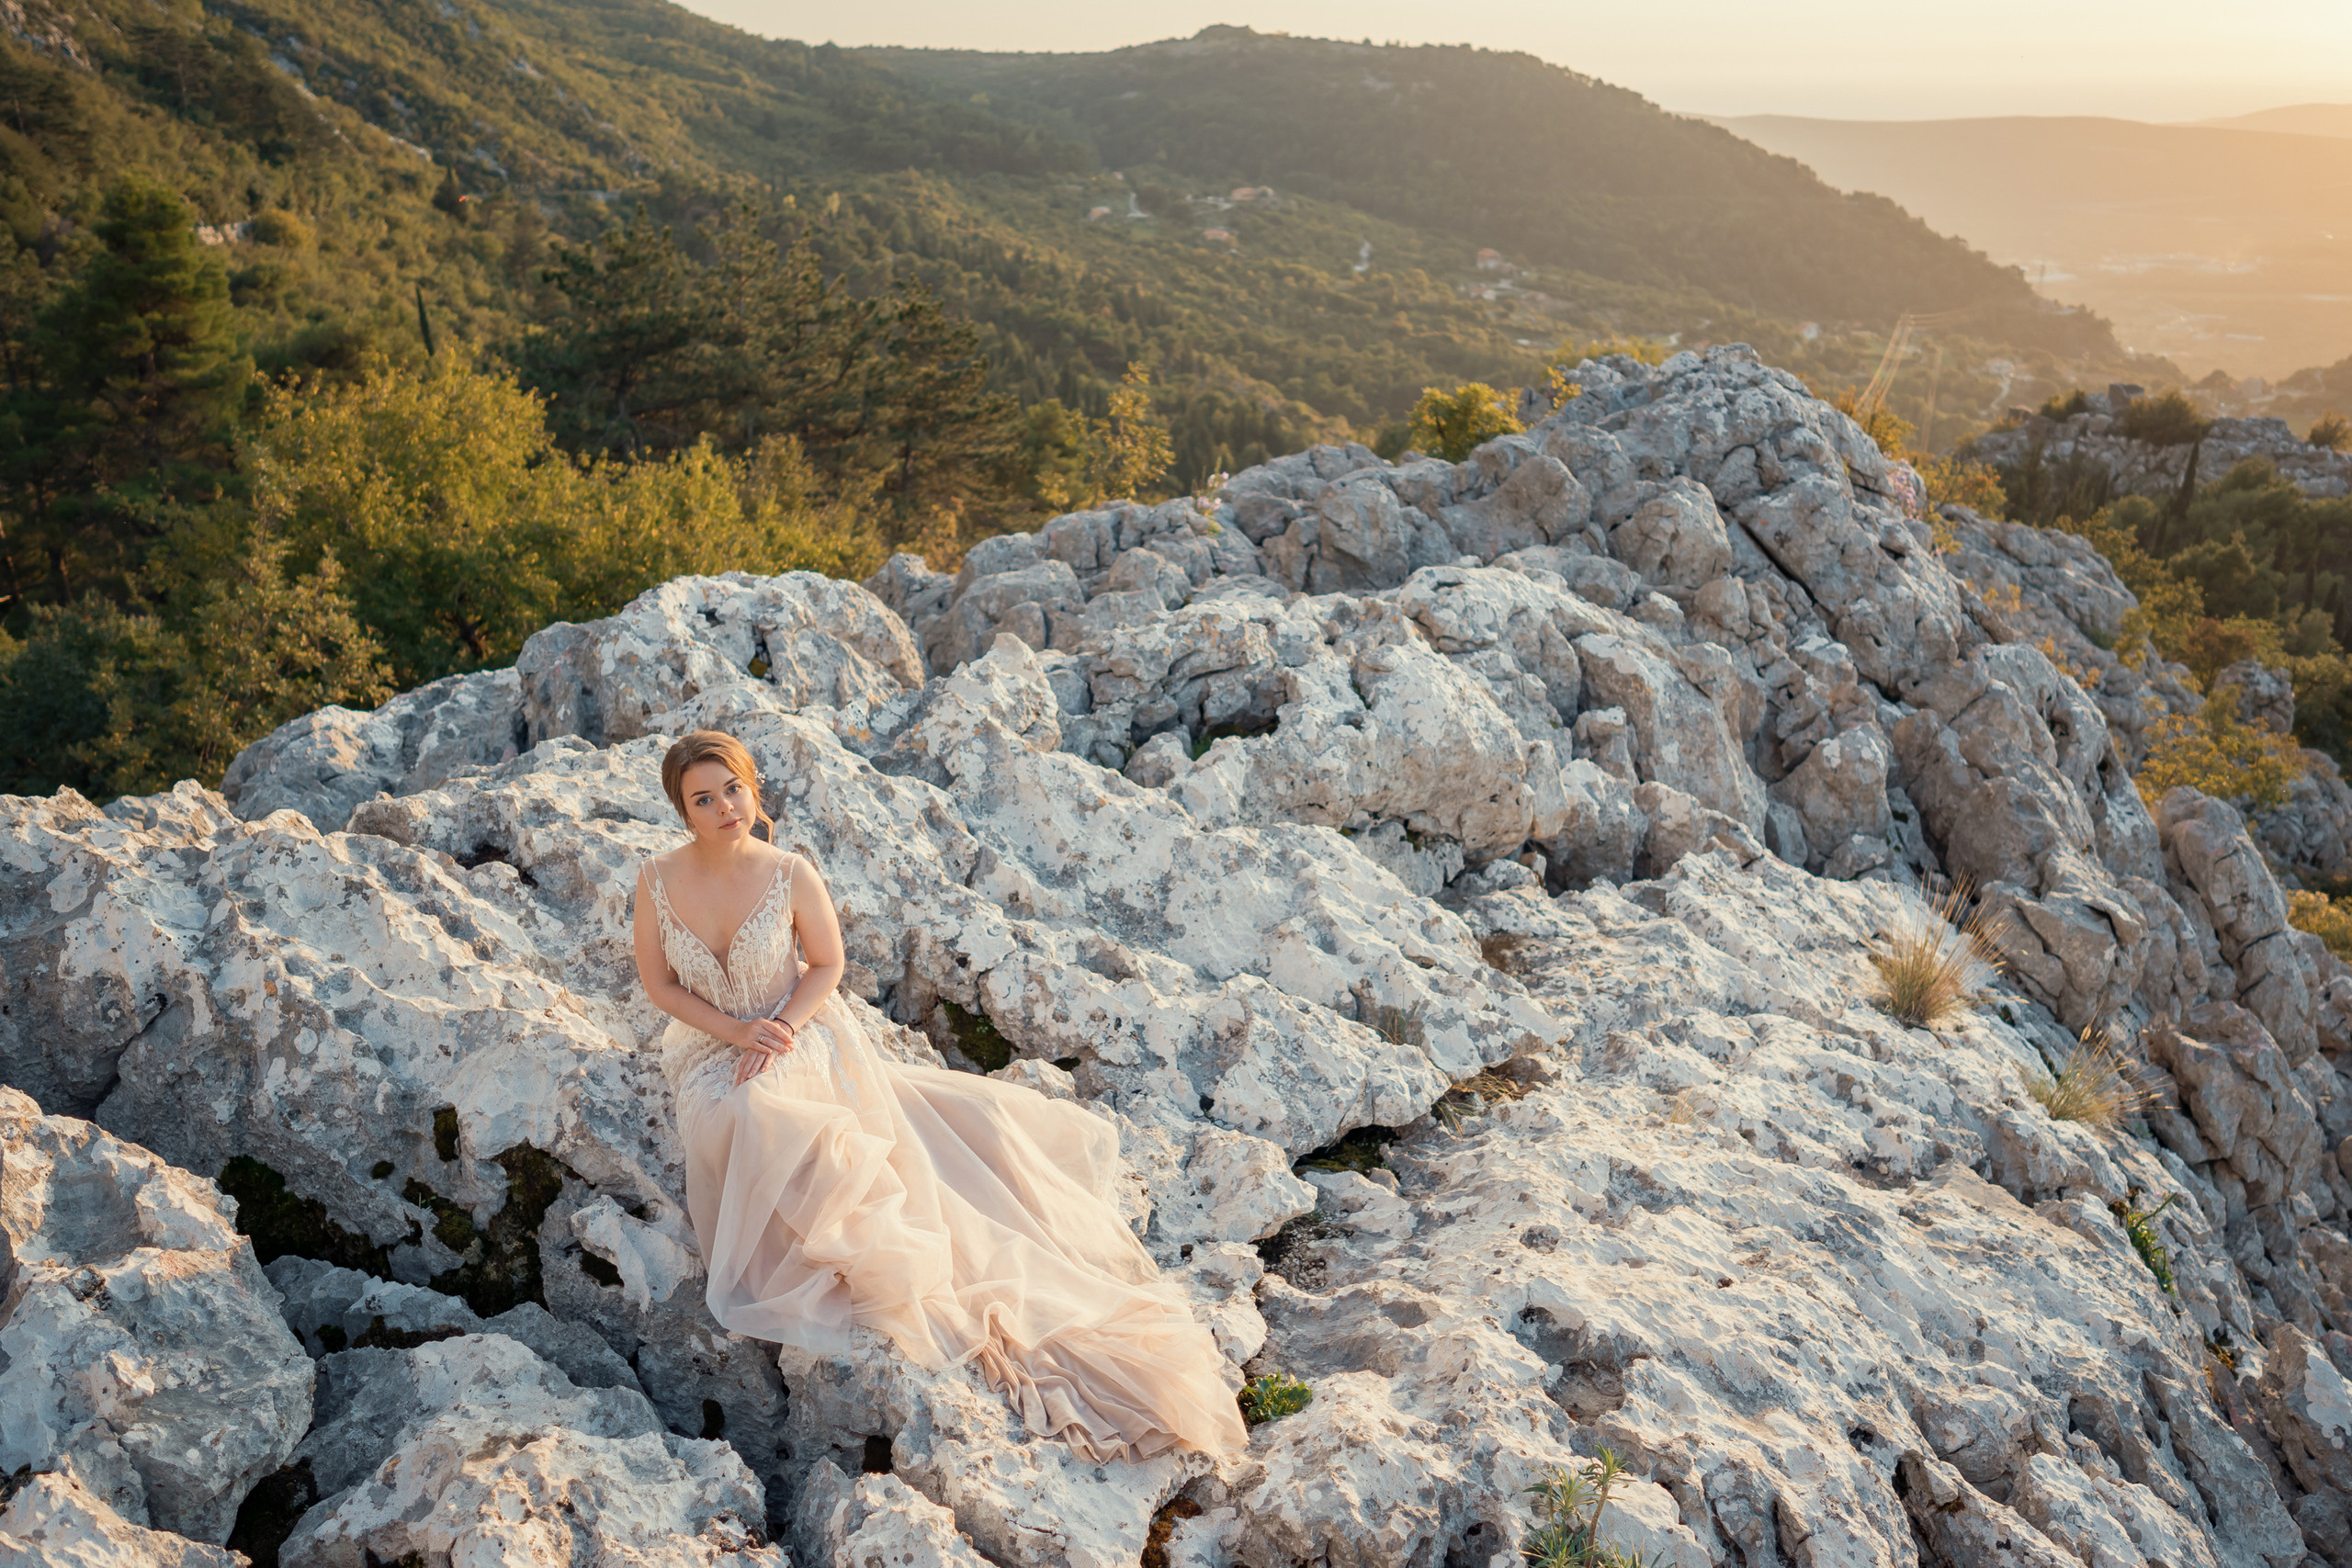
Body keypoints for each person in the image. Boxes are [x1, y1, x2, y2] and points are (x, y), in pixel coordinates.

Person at [632, 728, 1247, 1462]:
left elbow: (827, 965)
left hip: (799, 1030)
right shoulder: (657, 880)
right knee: (737, 1113)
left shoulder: (789, 871)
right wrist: (736, 1033)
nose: (724, 806)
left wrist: (778, 1031)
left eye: (732, 787)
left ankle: (873, 1253)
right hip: (709, 1044)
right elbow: (659, 984)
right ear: (683, 810)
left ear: (752, 786)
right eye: (704, 798)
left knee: (783, 1112)